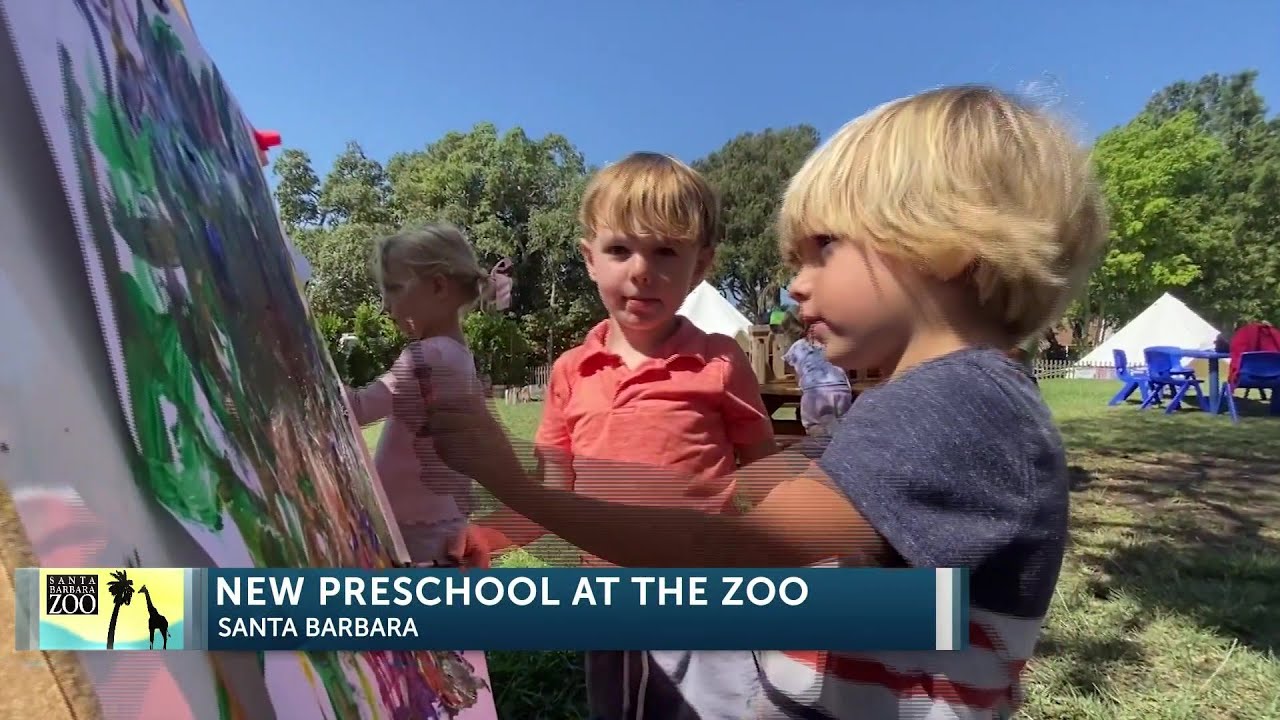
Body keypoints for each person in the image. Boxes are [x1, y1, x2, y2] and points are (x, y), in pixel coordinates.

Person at [438, 85, 1109, 719]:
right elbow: (796, 486)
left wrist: (510, 485)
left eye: (823, 250)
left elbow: (739, 544)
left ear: (947, 244)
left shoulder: (950, 403)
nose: (794, 288)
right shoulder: (952, 399)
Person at [480, 152, 777, 720]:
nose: (642, 270)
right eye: (620, 250)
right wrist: (488, 539)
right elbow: (552, 493)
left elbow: (764, 479)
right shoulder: (571, 370)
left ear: (701, 265)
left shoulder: (719, 360)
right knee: (620, 707)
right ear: (590, 260)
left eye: (666, 251)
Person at [342, 224, 494, 567]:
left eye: (394, 289)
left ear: (439, 286)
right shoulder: (457, 354)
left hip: (413, 534)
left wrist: (304, 365)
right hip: (440, 526)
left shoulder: (430, 356)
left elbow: (357, 410)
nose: (386, 305)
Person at [783, 323, 854, 436]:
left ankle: (821, 446)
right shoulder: (834, 344)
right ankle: (836, 439)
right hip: (841, 390)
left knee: (813, 425)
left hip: (815, 393)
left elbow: (791, 369)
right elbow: (846, 367)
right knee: (842, 424)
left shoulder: (797, 346)